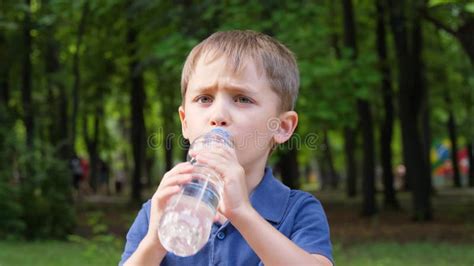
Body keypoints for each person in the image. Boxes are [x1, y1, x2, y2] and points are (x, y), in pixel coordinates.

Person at [120, 30, 333, 265]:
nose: (218, 115)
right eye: (204, 99)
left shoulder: (298, 211)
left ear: (281, 126)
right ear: (185, 122)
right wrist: (154, 242)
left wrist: (243, 213)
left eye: (242, 99)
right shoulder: (157, 210)